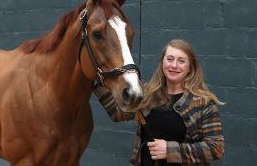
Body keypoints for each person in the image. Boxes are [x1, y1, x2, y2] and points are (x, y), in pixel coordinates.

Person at [94, 39, 225, 166]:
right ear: (162, 63)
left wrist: (169, 150)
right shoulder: (147, 94)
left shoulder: (203, 103)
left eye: (181, 61)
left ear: (190, 68)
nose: (174, 65)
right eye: (169, 59)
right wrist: (96, 82)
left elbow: (216, 148)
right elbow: (119, 114)